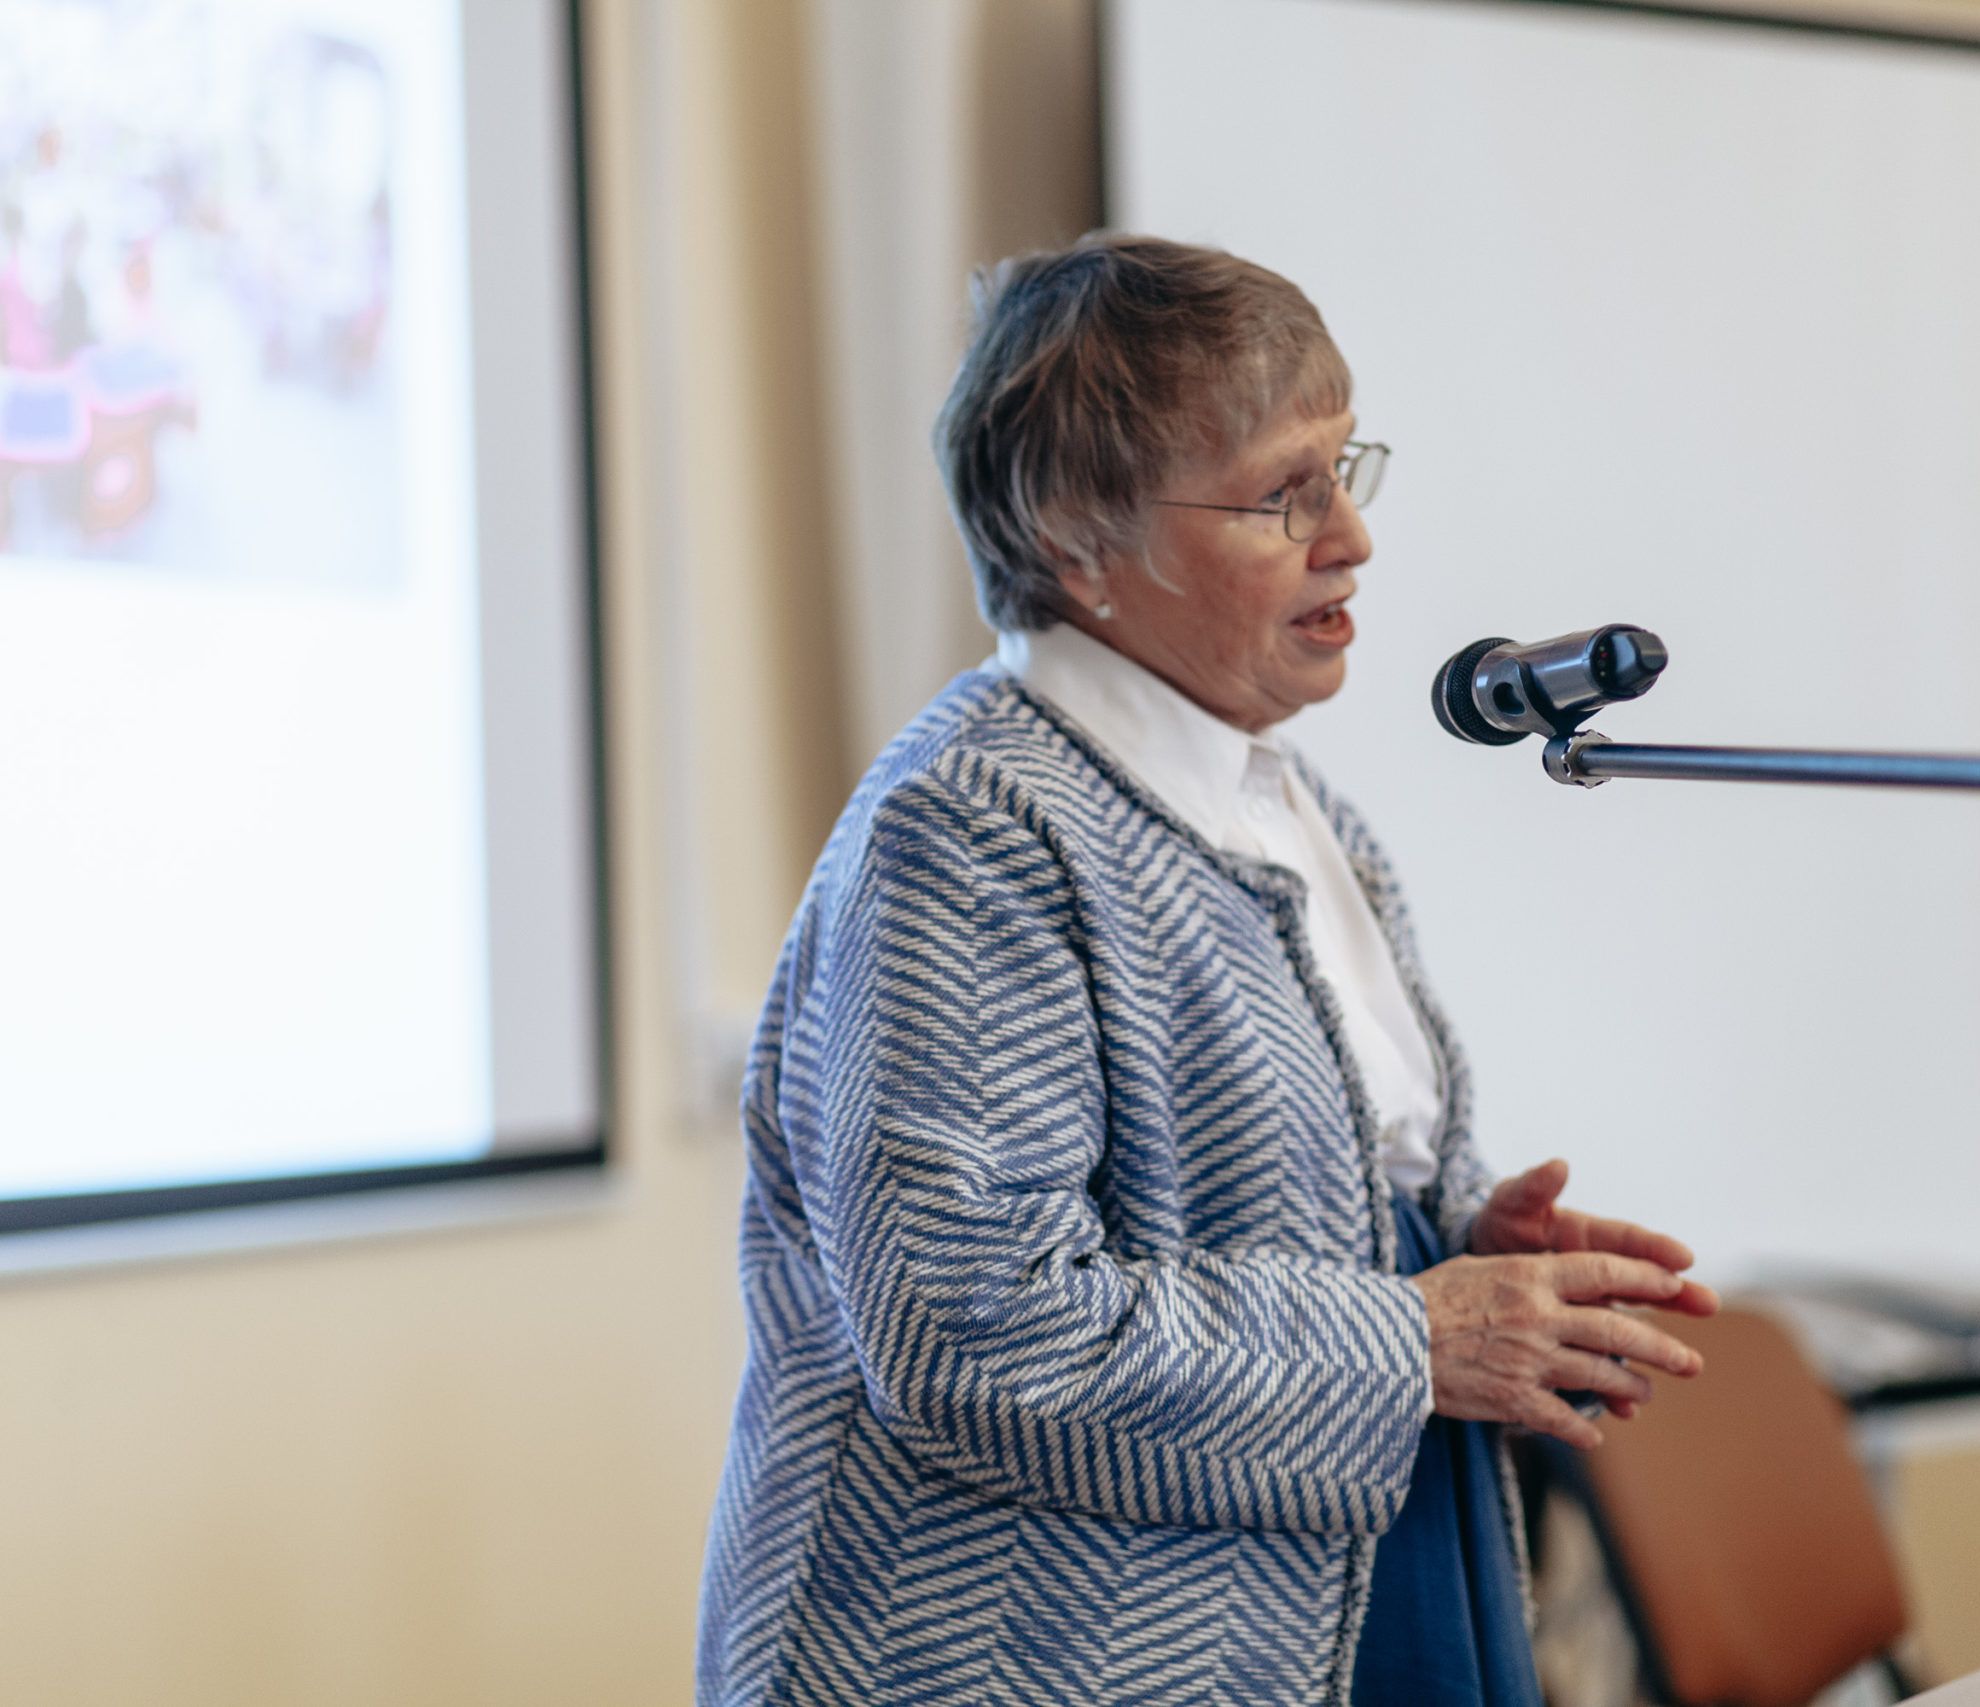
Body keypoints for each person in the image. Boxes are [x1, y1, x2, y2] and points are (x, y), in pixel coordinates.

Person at [697, 234, 1719, 1707]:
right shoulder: (967, 834)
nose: (1349, 538)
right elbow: (973, 1338)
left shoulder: (1303, 815)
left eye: (1342, 469)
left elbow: (1291, 1211)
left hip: (1356, 1590)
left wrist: (1462, 1245)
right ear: (1078, 542)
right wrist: (1417, 1334)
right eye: (1280, 493)